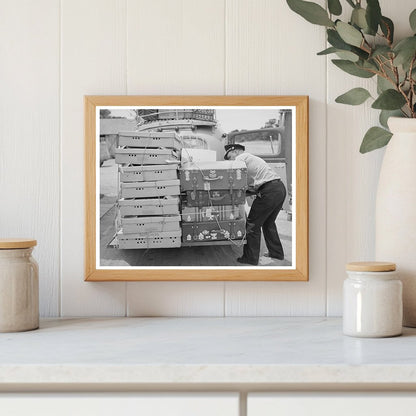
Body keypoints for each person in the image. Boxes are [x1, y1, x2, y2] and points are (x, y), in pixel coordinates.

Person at [224, 143, 287, 266]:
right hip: (279, 188)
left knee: (252, 224)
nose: (230, 160)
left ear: (235, 152)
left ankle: (250, 258)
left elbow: (237, 178)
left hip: (269, 191)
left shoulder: (240, 158)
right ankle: (276, 253)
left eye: (230, 156)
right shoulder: (252, 159)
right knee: (268, 223)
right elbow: (253, 182)